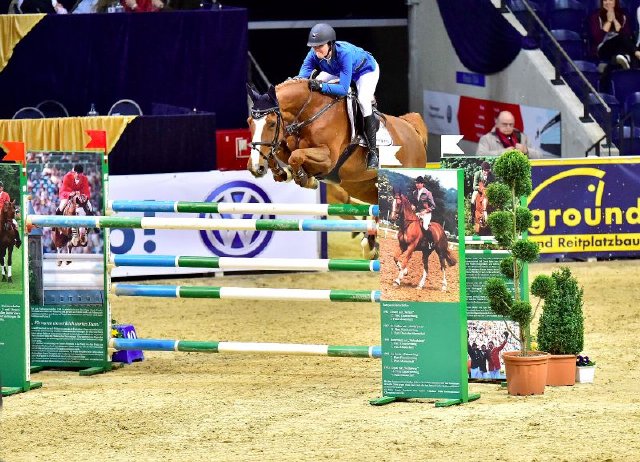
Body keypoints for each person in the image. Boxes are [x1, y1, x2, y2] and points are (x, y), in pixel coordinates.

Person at [296, 23, 380, 170]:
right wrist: (297, 81)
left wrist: (321, 86)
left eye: (320, 46)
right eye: (314, 47)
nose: (316, 51)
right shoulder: (313, 53)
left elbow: (343, 88)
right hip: (337, 69)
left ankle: (373, 151)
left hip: (365, 71)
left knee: (363, 100)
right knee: (315, 82)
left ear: (330, 44)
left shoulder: (344, 53)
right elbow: (303, 77)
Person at [587, 0, 640, 70]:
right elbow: (597, 39)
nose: (608, 3)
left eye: (611, 0)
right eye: (605, 0)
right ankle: (636, 53)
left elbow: (628, 35)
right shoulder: (595, 17)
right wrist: (609, 21)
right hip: (603, 48)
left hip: (620, 48)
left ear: (616, 2)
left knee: (624, 55)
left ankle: (619, 61)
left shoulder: (623, 16)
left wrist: (614, 20)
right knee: (621, 38)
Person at [476, 111, 542, 159]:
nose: (508, 127)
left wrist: (526, 150)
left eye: (511, 124)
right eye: (505, 124)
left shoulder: (522, 137)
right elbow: (479, 157)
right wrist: (503, 153)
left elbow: (540, 156)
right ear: (497, 123)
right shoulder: (487, 138)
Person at [0, 181, 22, 248]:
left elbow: (9, 204)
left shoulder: (6, 194)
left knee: (14, 224)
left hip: (5, 214)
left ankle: (17, 240)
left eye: (0, 187)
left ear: (2, 188)